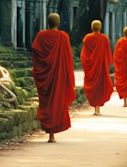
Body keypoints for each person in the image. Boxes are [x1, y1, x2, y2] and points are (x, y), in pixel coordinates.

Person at [31, 13, 76, 142]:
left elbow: (35, 53)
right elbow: (68, 59)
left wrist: (38, 69)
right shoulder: (64, 37)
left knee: (47, 101)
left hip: (45, 76)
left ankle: (51, 134)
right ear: (59, 22)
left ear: (48, 22)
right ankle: (52, 133)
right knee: (56, 101)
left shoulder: (41, 36)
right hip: (59, 76)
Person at [81, 20, 114, 115]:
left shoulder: (87, 38)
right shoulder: (104, 39)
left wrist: (87, 64)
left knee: (94, 87)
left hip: (91, 68)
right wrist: (105, 64)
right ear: (100, 27)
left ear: (92, 27)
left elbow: (84, 55)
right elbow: (108, 56)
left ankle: (96, 109)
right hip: (101, 68)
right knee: (100, 86)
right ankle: (97, 109)